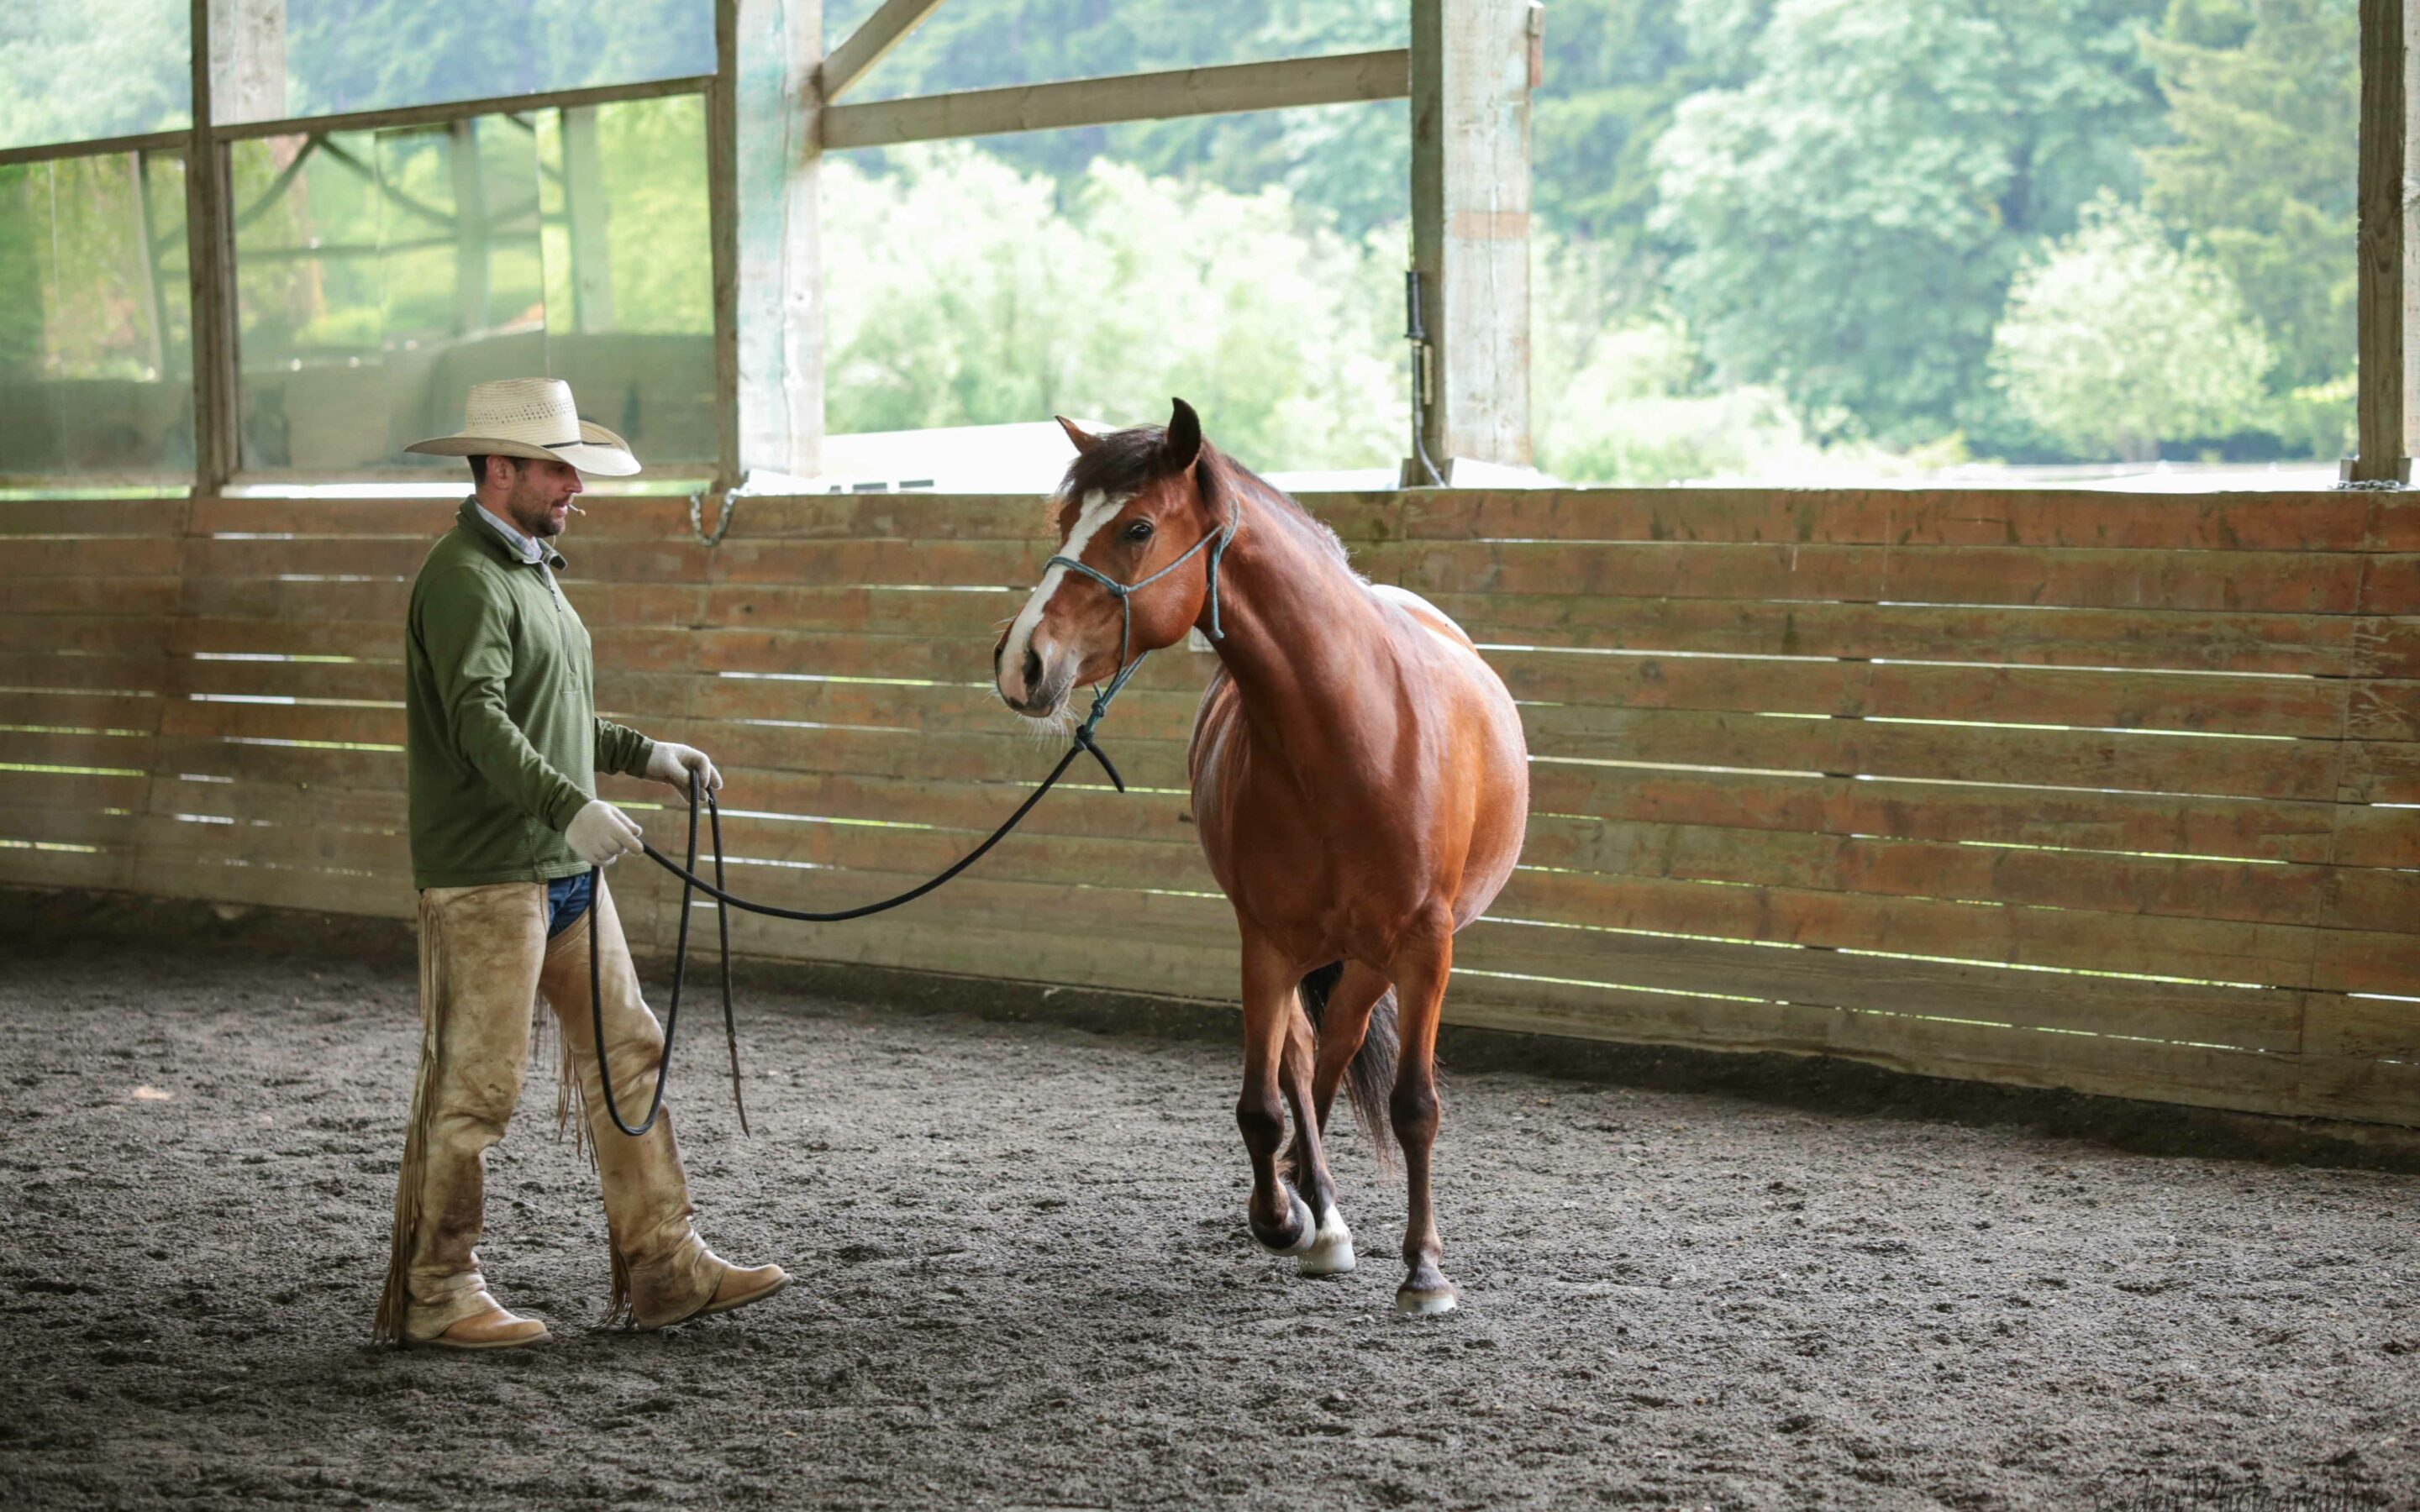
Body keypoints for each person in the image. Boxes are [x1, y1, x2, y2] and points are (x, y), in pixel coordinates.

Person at [374, 377, 787, 1350]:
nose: (577, 487)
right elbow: (479, 721)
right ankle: (438, 1288)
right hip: (487, 875)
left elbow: (551, 716)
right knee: (476, 1088)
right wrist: (571, 804)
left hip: (555, 868)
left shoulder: (529, 571)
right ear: (502, 467)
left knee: (627, 1052)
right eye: (561, 468)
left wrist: (646, 755)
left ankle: (665, 1265)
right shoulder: (463, 577)